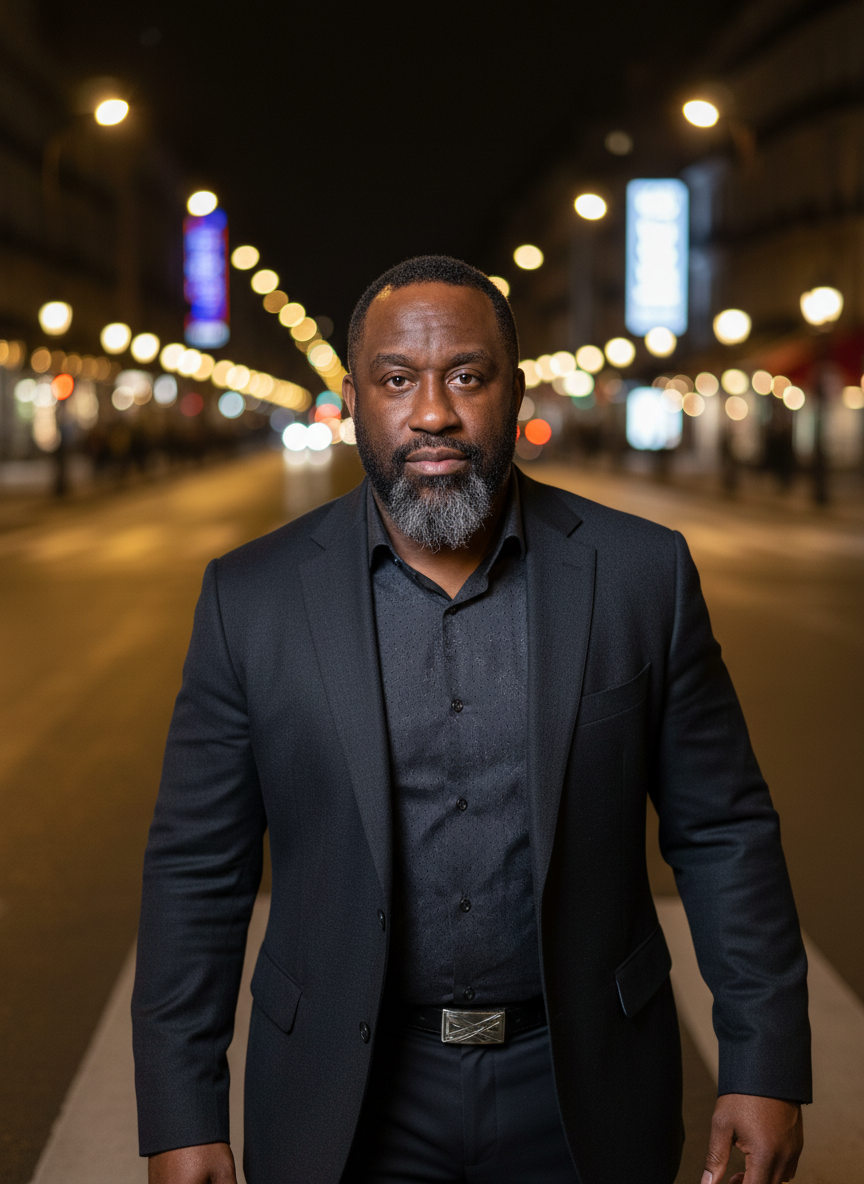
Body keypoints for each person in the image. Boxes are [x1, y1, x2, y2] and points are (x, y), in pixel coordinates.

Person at [132, 256, 810, 1184]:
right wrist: (180, 1113)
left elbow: (724, 830)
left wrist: (764, 1060)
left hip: (581, 1082)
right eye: (398, 379)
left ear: (512, 388)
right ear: (356, 398)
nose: (433, 413)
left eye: (465, 375)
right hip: (347, 1087)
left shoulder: (641, 573)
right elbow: (195, 870)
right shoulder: (247, 597)